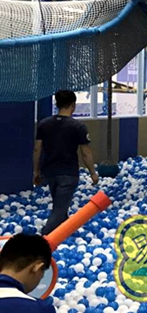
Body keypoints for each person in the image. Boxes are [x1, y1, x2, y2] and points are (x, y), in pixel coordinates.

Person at [33, 91, 98, 236]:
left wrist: (36, 171)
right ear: (73, 105)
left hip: (49, 172)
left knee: (60, 206)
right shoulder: (78, 126)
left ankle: (65, 233)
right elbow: (86, 152)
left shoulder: (44, 124)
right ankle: (44, 239)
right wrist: (92, 173)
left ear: (57, 104)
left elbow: (37, 150)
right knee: (59, 210)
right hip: (68, 173)